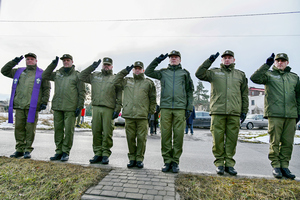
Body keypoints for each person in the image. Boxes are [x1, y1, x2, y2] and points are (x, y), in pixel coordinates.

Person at [195, 50, 248, 176]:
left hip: (234, 112)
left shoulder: (240, 75)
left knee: (232, 140)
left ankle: (229, 164)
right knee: (217, 139)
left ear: (234, 60)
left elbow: (244, 94)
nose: (227, 60)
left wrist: (244, 111)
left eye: (229, 58)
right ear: (221, 60)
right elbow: (199, 74)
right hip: (218, 112)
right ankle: (219, 163)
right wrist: (209, 60)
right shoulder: (214, 73)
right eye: (225, 58)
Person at [250, 53, 300, 179]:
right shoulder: (268, 75)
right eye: (278, 61)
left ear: (287, 63)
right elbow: (254, 78)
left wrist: (298, 113)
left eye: (283, 61)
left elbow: (298, 96)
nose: (280, 63)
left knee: (288, 142)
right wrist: (266, 64)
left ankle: (284, 166)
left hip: (291, 115)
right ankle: (276, 166)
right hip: (275, 114)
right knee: (275, 141)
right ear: (275, 62)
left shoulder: (294, 77)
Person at [145, 50, 194, 173]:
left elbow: (189, 91)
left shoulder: (185, 74)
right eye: (171, 57)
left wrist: (189, 108)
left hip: (180, 108)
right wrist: (157, 60)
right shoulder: (163, 73)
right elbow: (148, 71)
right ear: (169, 59)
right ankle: (167, 161)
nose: (173, 59)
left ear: (180, 60)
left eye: (176, 57)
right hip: (166, 108)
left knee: (178, 136)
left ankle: (175, 162)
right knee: (165, 136)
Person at [1, 53, 51, 159]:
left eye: (32, 59)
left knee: (30, 129)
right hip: (19, 105)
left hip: (32, 106)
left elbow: (47, 89)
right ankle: (19, 149)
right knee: (18, 128)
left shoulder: (41, 73)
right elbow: (4, 71)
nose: (29, 61)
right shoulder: (19, 71)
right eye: (27, 59)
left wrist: (44, 102)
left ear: (36, 61)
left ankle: (28, 149)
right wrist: (14, 61)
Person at [42, 54, 86, 162]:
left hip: (70, 108)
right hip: (57, 106)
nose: (66, 62)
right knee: (58, 130)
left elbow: (82, 92)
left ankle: (66, 152)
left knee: (69, 131)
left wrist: (79, 107)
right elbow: (45, 75)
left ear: (72, 61)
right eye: (64, 60)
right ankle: (58, 151)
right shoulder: (57, 73)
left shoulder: (77, 75)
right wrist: (53, 65)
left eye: (68, 60)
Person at [79, 57, 122, 164]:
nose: (106, 66)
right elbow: (81, 76)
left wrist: (117, 109)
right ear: (102, 65)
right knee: (96, 132)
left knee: (107, 133)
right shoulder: (95, 76)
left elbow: (120, 95)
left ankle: (105, 154)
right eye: (104, 64)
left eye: (108, 65)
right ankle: (97, 153)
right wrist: (92, 67)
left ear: (112, 66)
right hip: (96, 108)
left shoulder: (115, 78)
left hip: (109, 109)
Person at [115, 61, 156, 168]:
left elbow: (153, 99)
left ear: (143, 70)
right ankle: (132, 158)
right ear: (133, 70)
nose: (137, 70)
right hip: (129, 115)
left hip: (142, 115)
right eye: (135, 68)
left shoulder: (148, 83)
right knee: (130, 138)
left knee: (142, 139)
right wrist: (125, 71)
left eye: (139, 68)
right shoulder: (127, 81)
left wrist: (151, 112)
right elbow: (115, 81)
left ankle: (139, 159)